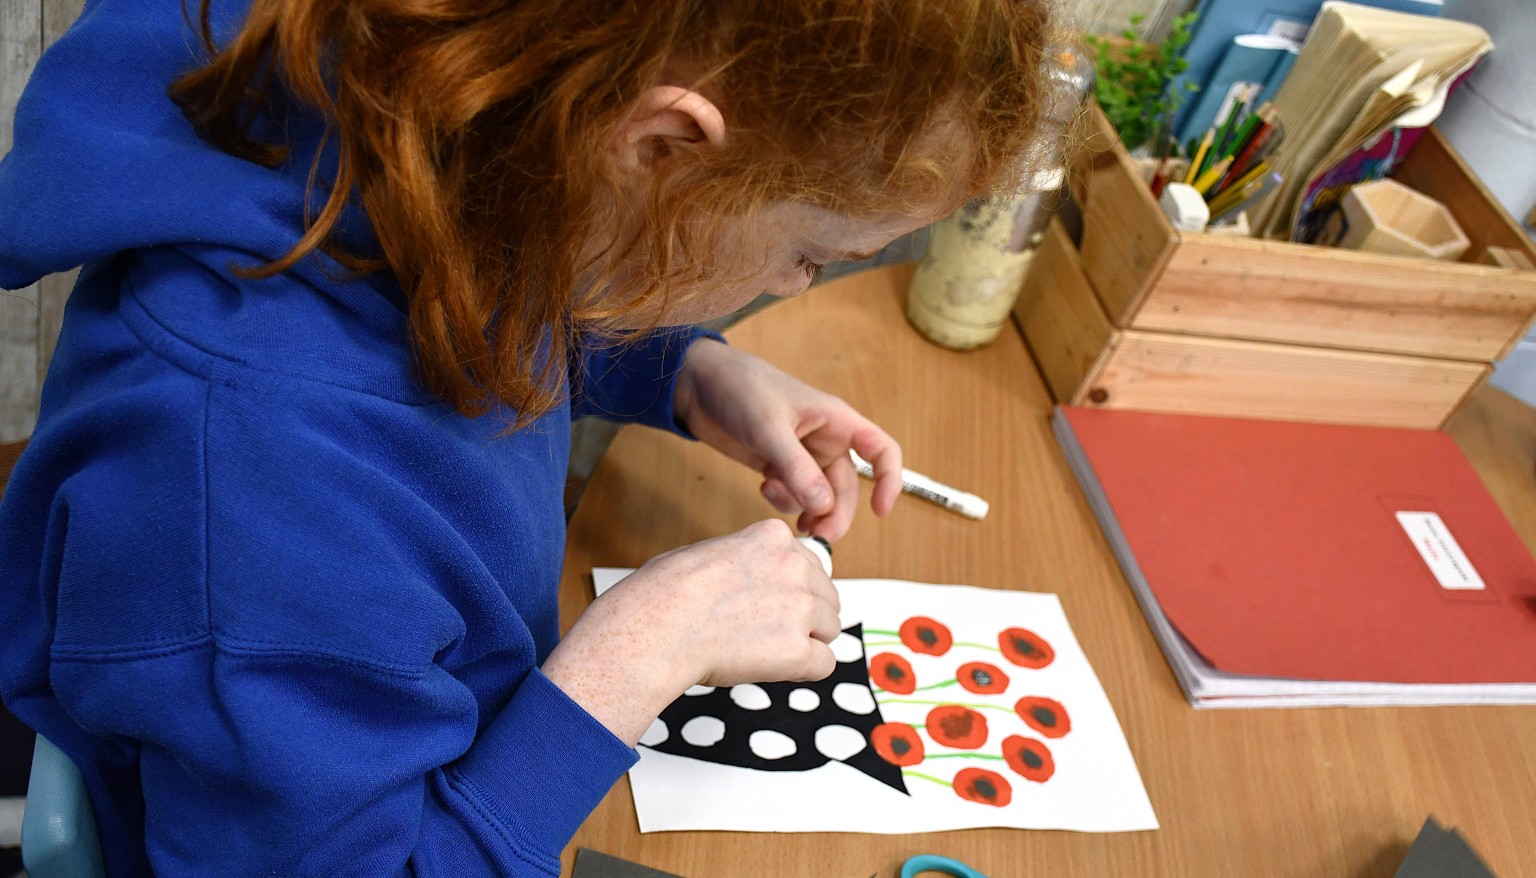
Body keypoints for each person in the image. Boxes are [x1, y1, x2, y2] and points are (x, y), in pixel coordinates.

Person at [0, 0, 1052, 874]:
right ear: (662, 149)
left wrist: (683, 370)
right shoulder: (257, 505)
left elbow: (487, 295)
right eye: (812, 254)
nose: (791, 285)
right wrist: (639, 657)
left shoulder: (435, 128)